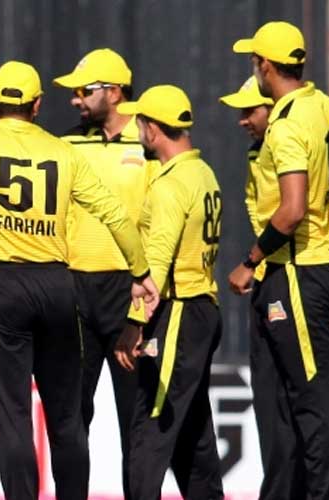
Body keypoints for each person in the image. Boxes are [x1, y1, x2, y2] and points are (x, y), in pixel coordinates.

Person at [0, 60, 159, 500]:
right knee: (66, 416)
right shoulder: (62, 151)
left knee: (12, 415)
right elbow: (113, 214)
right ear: (37, 105)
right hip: (57, 284)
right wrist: (140, 271)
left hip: (2, 283)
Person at [227, 21, 329, 499]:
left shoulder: (288, 124)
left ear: (265, 65)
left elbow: (292, 211)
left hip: (296, 271)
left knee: (312, 402)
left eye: (255, 61)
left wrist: (250, 260)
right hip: (311, 269)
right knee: (282, 404)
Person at [113, 85, 224, 500]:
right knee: (192, 428)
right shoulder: (203, 172)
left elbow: (156, 266)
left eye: (140, 122)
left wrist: (133, 324)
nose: (137, 130)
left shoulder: (170, 184)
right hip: (201, 309)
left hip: (178, 311)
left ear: (153, 129)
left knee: (151, 425)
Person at [52, 48, 151, 499]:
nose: (75, 99)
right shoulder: (67, 145)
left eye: (84, 90)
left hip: (130, 291)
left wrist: (142, 307)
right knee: (71, 415)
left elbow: (158, 225)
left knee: (136, 417)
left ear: (114, 92)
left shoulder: (147, 141)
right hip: (76, 288)